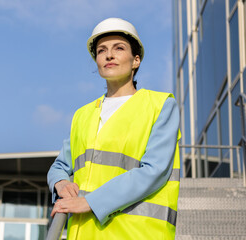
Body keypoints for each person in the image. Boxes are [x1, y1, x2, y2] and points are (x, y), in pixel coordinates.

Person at [47, 18, 181, 240]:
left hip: (136, 234)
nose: (109, 55)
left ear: (135, 60)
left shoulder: (160, 105)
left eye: (119, 48)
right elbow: (60, 165)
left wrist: (90, 202)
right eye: (101, 50)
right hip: (83, 232)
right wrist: (60, 183)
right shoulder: (83, 114)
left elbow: (154, 170)